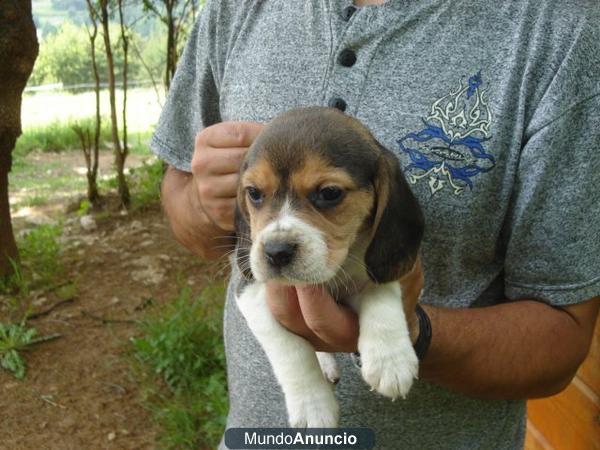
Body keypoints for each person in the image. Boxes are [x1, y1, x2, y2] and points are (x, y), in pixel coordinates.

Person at [151, 0, 600, 448]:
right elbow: (185, 203)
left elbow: (561, 334)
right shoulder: (233, 8)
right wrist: (203, 201)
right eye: (256, 194)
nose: (279, 234)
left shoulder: (559, 29)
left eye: (328, 195)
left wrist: (412, 332)